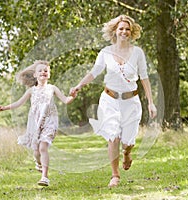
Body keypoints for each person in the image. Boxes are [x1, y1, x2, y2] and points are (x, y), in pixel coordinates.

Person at [70, 15, 157, 187]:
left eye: (127, 29)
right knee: (113, 136)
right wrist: (79, 85)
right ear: (114, 32)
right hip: (109, 100)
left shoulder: (137, 53)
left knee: (127, 142)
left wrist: (151, 102)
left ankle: (127, 154)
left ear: (131, 33)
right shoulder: (105, 53)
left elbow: (144, 78)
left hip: (131, 102)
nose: (124, 32)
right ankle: (115, 175)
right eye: (121, 29)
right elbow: (94, 72)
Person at [0, 60, 76, 187]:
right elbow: (18, 103)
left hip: (50, 121)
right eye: (40, 70)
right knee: (36, 151)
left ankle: (44, 177)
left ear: (49, 74)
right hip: (34, 122)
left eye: (46, 70)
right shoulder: (31, 91)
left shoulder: (52, 88)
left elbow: (66, 100)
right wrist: (5, 107)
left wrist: (73, 95)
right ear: (35, 75)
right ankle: (38, 163)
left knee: (43, 147)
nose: (43, 72)